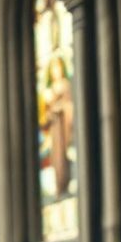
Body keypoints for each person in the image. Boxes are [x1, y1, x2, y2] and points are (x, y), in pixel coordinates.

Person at [39, 57, 74, 197]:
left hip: (64, 128)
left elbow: (69, 106)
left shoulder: (65, 85)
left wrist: (60, 107)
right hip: (55, 131)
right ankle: (59, 186)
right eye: (53, 69)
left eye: (58, 67)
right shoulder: (49, 91)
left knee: (64, 157)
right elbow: (44, 119)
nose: (56, 71)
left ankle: (65, 184)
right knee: (56, 158)